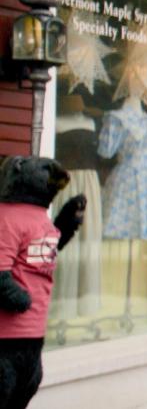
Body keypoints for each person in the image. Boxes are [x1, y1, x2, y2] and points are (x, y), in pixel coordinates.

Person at [0, 156, 86, 407]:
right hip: (6, 335)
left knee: (23, 389)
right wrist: (17, 297)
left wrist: (65, 224)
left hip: (32, 333)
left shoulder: (39, 217)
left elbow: (41, 253)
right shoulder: (7, 218)